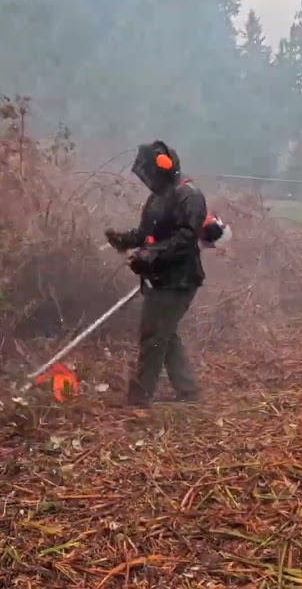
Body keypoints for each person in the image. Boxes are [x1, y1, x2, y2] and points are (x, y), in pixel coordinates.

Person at [104, 141, 207, 408]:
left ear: (164, 168)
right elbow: (145, 233)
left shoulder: (189, 196)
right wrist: (125, 240)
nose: (147, 179)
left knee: (153, 336)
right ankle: (188, 390)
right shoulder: (157, 198)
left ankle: (139, 399)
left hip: (180, 280)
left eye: (150, 173)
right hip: (160, 278)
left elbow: (185, 239)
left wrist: (151, 255)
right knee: (165, 334)